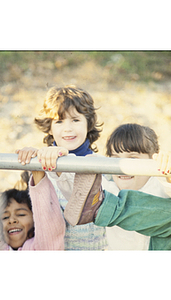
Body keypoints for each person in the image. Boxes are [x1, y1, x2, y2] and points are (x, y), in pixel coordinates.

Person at [16, 85, 108, 250]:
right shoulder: (40, 167)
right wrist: (31, 160)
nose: (68, 128)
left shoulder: (101, 167)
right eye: (59, 121)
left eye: (75, 120)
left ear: (89, 123)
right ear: (49, 128)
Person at [103, 123, 171, 250]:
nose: (123, 167)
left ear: (153, 159)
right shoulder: (108, 189)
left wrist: (170, 167)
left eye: (133, 158)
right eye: (116, 159)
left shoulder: (161, 185)